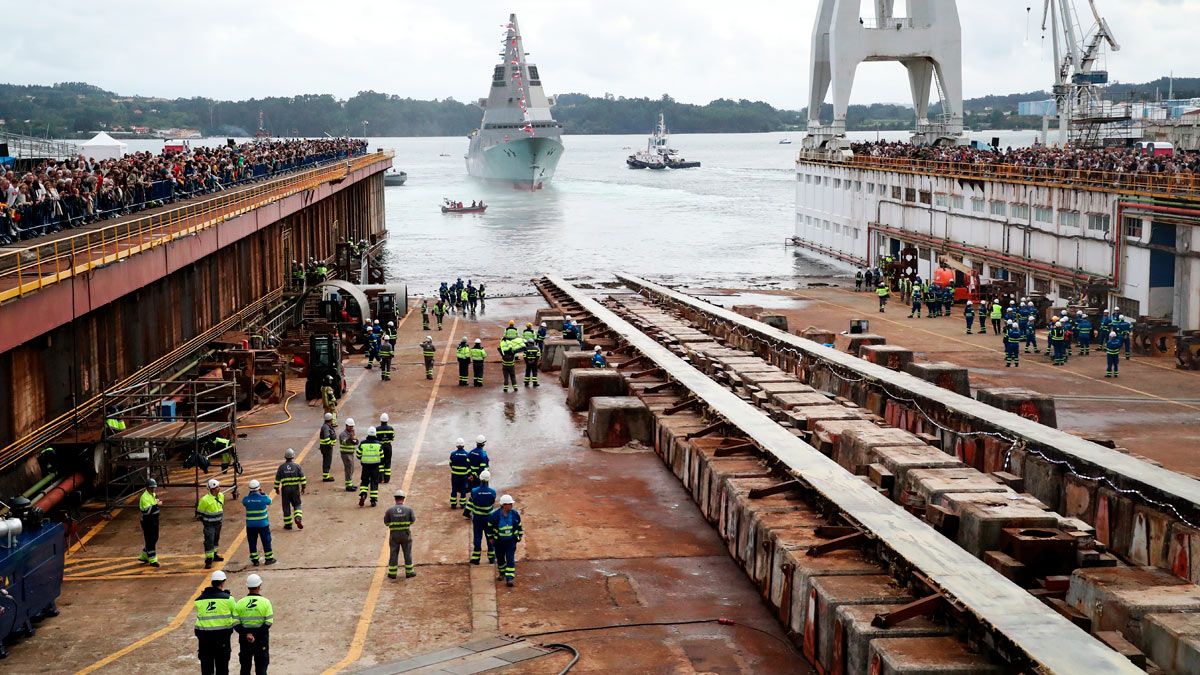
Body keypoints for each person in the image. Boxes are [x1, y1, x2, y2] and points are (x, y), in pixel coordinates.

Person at [194, 570, 236, 675]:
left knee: (206, 670)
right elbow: (235, 614)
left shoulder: (198, 600)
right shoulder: (228, 599)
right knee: (222, 669)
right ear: (222, 583)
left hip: (204, 640)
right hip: (222, 639)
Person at [233, 574, 272, 675]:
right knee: (261, 669)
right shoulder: (266, 602)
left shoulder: (240, 603)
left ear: (248, 587)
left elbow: (235, 623)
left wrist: (247, 635)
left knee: (245, 668)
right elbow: (268, 622)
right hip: (261, 640)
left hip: (245, 640)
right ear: (259, 586)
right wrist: (255, 635)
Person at [488, 494, 523, 587]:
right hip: (499, 542)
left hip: (511, 541)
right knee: (500, 558)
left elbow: (519, 524)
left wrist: (520, 534)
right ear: (504, 505)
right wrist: (491, 538)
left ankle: (509, 578)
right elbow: (489, 527)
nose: (511, 505)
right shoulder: (495, 515)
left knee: (510, 559)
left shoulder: (514, 514)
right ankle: (502, 573)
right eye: (510, 504)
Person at [465, 470, 497, 564]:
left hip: (478, 518)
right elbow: (492, 502)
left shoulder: (474, 491)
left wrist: (467, 512)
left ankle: (476, 558)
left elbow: (472, 502)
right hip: (489, 518)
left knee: (477, 538)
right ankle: (491, 558)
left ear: (480, 479)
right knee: (490, 537)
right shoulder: (492, 492)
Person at [384, 490, 417, 579]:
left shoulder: (389, 510)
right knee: (407, 553)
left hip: (394, 535)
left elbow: (386, 523)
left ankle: (392, 573)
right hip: (406, 534)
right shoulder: (409, 509)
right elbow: (412, 520)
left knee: (393, 553)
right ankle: (409, 572)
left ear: (395, 498)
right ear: (403, 498)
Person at [242, 479, 275, 565]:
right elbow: (270, 501)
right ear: (259, 488)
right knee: (266, 540)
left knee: (252, 542)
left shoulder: (246, 500)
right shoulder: (263, 498)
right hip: (263, 525)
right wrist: (263, 493)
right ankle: (269, 558)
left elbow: (244, 502)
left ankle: (255, 560)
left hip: (250, 525)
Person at [197, 478, 226, 569]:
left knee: (216, 539)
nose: (219, 488)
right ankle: (209, 560)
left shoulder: (221, 496)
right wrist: (206, 522)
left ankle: (214, 555)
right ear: (212, 489)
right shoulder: (204, 500)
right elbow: (199, 514)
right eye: (217, 487)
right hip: (209, 525)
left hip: (218, 523)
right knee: (209, 540)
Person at [273, 448, 305, 530]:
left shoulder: (281, 467)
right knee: (297, 504)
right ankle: (298, 518)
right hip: (295, 489)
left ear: (285, 457)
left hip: (285, 490)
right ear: (293, 457)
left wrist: (276, 488)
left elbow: (277, 479)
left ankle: (288, 525)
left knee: (286, 507)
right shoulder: (297, 466)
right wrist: (303, 487)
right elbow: (302, 477)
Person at [138, 478, 162, 567]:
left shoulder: (153, 494)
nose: (153, 489)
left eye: (154, 487)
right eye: (151, 488)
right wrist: (157, 505)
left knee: (154, 538)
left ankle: (144, 555)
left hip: (154, 520)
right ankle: (153, 560)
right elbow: (146, 511)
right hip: (148, 521)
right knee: (150, 540)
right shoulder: (144, 497)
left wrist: (157, 502)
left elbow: (156, 500)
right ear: (147, 487)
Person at [357, 426, 383, 507]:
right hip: (375, 467)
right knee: (374, 482)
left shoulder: (363, 443)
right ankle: (373, 500)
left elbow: (358, 455)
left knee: (364, 481)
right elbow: (382, 456)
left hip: (365, 467)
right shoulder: (379, 444)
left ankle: (363, 494)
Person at [448, 438, 473, 509]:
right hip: (463, 476)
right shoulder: (467, 454)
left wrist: (455, 469)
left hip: (455, 475)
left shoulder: (453, 454)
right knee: (463, 489)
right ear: (463, 445)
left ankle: (453, 504)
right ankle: (462, 504)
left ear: (456, 445)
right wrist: (469, 475)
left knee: (454, 489)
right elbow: (469, 466)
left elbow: (450, 463)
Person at [338, 418, 359, 492]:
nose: (351, 428)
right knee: (348, 469)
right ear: (346, 426)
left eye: (352, 426)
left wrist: (354, 439)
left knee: (351, 469)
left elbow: (356, 442)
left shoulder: (352, 433)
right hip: (345, 454)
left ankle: (350, 484)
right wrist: (351, 438)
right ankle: (348, 486)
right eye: (350, 426)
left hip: (351, 453)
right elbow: (344, 442)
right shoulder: (343, 434)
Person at [376, 413, 395, 484]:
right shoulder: (391, 429)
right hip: (388, 447)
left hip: (380, 447)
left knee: (380, 462)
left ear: (380, 420)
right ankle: (387, 479)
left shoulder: (377, 429)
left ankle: (380, 478)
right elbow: (392, 438)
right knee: (388, 462)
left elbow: (375, 438)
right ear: (387, 420)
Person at [319, 413, 337, 483]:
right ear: (330, 419)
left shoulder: (327, 426)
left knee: (327, 461)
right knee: (327, 461)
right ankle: (326, 477)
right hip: (326, 448)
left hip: (326, 447)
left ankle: (326, 475)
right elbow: (326, 437)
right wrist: (330, 444)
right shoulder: (326, 427)